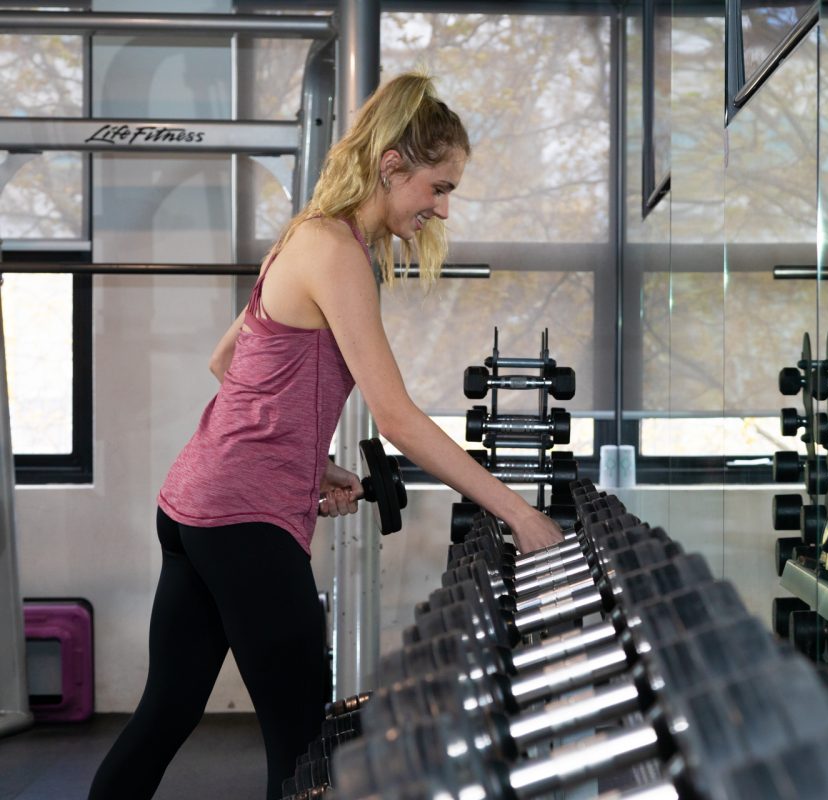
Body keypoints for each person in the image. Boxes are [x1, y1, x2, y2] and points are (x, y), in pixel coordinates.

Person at [88, 72, 565, 800]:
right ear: (391, 165)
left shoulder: (307, 238)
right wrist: (520, 512)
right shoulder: (337, 252)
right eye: (438, 189)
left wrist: (312, 468)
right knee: (307, 753)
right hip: (242, 520)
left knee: (167, 711)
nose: (440, 210)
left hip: (193, 507)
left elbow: (230, 361)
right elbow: (397, 417)